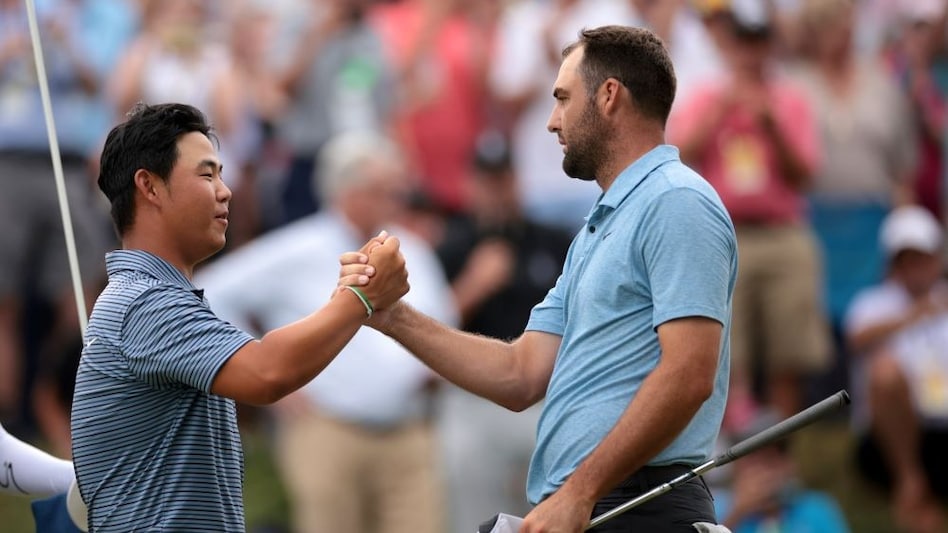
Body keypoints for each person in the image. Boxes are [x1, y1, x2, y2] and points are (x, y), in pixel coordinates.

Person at [344, 25, 738, 532]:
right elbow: (520, 373)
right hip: (594, 504)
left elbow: (689, 375)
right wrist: (391, 315)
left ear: (610, 96)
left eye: (563, 99)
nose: (552, 122)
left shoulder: (676, 201)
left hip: (642, 508)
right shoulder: (603, 224)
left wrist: (580, 491)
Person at [69, 102, 409, 532]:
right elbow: (268, 372)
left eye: (221, 174)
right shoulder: (144, 301)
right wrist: (360, 295)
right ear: (149, 187)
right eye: (207, 174)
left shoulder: (151, 296)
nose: (225, 190)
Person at [195, 130, 456, 533]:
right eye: (385, 189)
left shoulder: (414, 250)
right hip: (326, 430)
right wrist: (265, 374)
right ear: (349, 191)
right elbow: (211, 294)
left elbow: (445, 318)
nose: (396, 199)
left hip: (409, 431)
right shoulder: (296, 248)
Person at [668, 1, 831, 421]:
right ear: (730, 44)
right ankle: (738, 448)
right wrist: (720, 112)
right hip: (724, 231)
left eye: (758, 42)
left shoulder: (790, 100)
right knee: (726, 347)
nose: (750, 53)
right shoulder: (707, 95)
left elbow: (806, 175)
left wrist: (772, 127)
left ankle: (780, 450)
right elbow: (679, 155)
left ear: (769, 46)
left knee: (787, 350)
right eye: (743, 42)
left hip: (781, 231)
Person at [844, 204, 948, 533]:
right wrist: (914, 315)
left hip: (941, 430)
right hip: (887, 437)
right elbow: (856, 339)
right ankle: (909, 479)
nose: (916, 267)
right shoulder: (873, 303)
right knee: (885, 370)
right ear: (894, 263)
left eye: (923, 257)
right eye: (907, 259)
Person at [712, 410, 850, 533]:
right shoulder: (714, 510)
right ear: (737, 466)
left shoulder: (819, 510)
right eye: (753, 460)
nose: (762, 471)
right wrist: (737, 514)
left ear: (789, 464)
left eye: (771, 459)